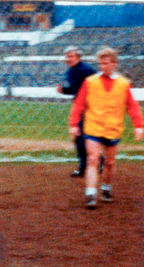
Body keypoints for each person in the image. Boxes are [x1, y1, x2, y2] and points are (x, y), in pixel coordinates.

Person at [68, 47, 143, 208]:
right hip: (93, 127)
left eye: (107, 63)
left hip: (113, 129)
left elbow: (132, 106)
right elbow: (79, 104)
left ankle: (106, 187)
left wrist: (138, 125)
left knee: (109, 163)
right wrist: (74, 124)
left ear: (114, 64)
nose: (103, 67)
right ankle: (90, 194)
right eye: (101, 63)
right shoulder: (90, 82)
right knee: (93, 159)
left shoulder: (124, 84)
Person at [57, 46, 97, 177]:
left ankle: (86, 166)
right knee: (82, 137)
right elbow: (75, 90)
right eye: (67, 56)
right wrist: (64, 90)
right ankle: (93, 162)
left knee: (81, 137)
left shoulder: (84, 70)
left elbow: (93, 86)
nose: (68, 59)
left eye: (71, 56)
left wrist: (64, 90)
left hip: (89, 107)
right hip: (80, 107)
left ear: (78, 57)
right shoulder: (73, 70)